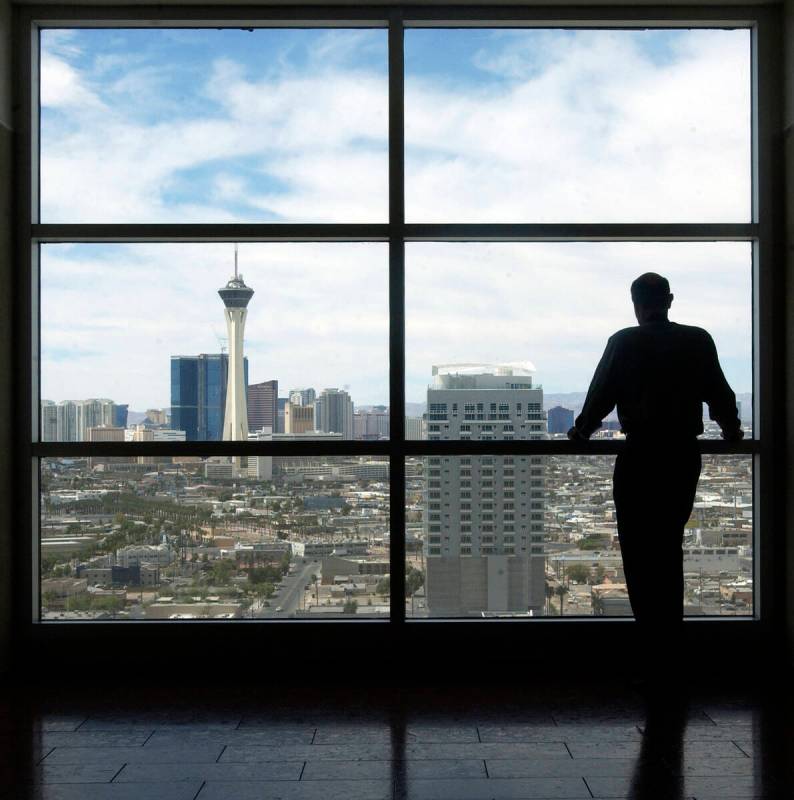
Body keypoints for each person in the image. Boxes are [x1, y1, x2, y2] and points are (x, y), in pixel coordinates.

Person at [568, 273, 743, 675]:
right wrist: (732, 431)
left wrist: (580, 433)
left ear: (635, 304)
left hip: (640, 452)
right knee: (669, 546)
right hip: (682, 453)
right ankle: (671, 646)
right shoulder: (697, 340)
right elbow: (720, 393)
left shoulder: (624, 342)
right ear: (669, 300)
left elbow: (599, 398)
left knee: (639, 550)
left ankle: (650, 644)